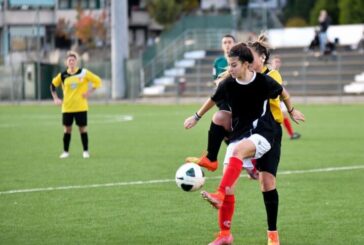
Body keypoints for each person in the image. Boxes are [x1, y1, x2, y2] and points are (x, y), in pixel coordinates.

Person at [184, 42, 305, 245]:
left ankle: (223, 197)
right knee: (230, 182)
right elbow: (213, 99)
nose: (229, 69)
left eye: (233, 65)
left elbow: (283, 93)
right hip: (240, 134)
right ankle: (225, 235)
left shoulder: (264, 81)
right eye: (229, 65)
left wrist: (292, 111)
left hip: (264, 134)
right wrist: (196, 117)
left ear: (247, 64)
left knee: (247, 167)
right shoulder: (229, 84)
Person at [50, 50, 102, 159]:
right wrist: (55, 98)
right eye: (69, 60)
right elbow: (52, 85)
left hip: (81, 107)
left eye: (73, 60)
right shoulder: (63, 75)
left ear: (76, 62)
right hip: (67, 108)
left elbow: (97, 81)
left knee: (82, 129)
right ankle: (65, 152)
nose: (71, 62)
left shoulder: (84, 72)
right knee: (67, 130)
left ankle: (86, 151)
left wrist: (89, 92)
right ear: (66, 62)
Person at [270, 55, 301, 140]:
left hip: (279, 99)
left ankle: (291, 134)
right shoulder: (270, 73)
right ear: (271, 63)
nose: (277, 64)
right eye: (275, 61)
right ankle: (290, 134)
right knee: (279, 116)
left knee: (284, 115)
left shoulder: (277, 73)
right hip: (273, 100)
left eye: (278, 62)